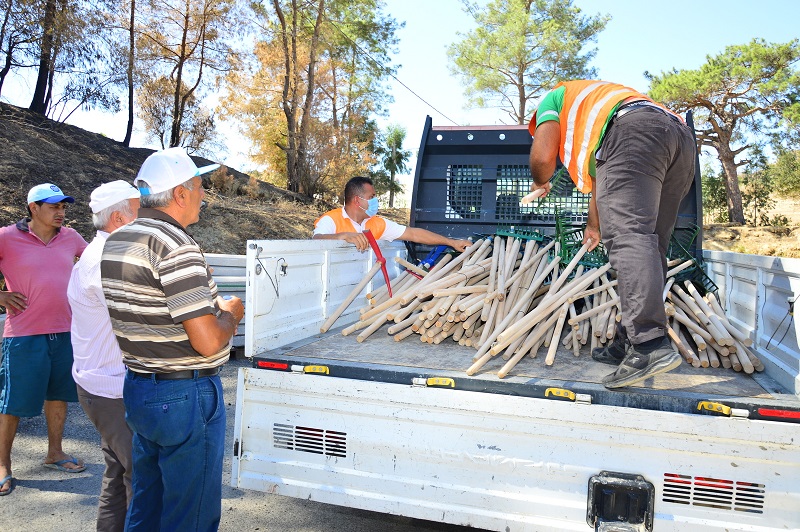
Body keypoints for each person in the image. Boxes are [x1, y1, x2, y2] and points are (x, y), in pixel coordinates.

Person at [100, 147, 244, 531]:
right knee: (190, 516)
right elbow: (209, 342)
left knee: (147, 504)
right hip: (184, 397)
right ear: (180, 194)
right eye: (199, 187)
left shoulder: (117, 239)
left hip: (140, 388)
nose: (203, 196)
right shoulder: (176, 246)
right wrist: (229, 315)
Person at [527, 80, 695, 389]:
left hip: (636, 133)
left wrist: (541, 181)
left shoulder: (555, 99)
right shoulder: (598, 119)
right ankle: (629, 340)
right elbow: (599, 181)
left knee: (631, 237)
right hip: (679, 139)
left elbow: (542, 156)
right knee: (650, 243)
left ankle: (648, 346)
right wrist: (594, 226)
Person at [0, 183, 89, 497]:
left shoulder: (72, 238)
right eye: (54, 206)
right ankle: (3, 465)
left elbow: (98, 263)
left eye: (64, 207)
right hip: (23, 335)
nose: (61, 213)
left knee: (58, 395)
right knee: (11, 403)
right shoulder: (6, 237)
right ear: (33, 208)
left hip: (65, 332)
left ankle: (55, 452)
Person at [68, 181, 140, 530]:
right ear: (118, 218)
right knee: (141, 480)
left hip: (102, 388)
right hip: (112, 391)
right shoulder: (107, 261)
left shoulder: (99, 254)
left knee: (117, 475)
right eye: (140, 212)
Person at [313, 176, 472, 252]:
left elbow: (414, 234)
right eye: (372, 197)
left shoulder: (376, 223)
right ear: (357, 200)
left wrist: (451, 242)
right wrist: (341, 236)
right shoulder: (331, 219)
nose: (376, 201)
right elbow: (315, 239)